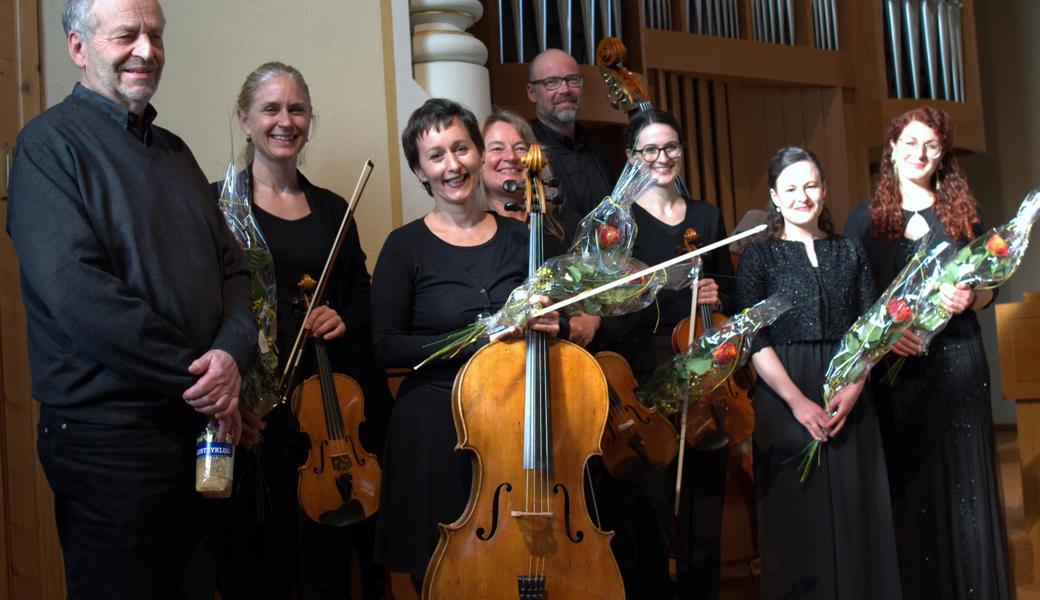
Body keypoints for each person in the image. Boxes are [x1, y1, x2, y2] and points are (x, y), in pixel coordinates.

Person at [6, 0, 256, 597]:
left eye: (155, 35)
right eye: (126, 35)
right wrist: (201, 375)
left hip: (195, 430)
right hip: (106, 438)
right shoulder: (46, 146)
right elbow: (78, 295)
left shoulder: (175, 152)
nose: (146, 50)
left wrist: (231, 356)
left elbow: (235, 274)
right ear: (78, 48)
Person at [213, 62, 390, 600]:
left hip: (329, 410)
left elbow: (364, 296)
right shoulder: (219, 205)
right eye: (270, 108)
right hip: (252, 412)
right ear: (245, 119)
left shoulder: (333, 209)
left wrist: (342, 316)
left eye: (296, 109)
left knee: (327, 566)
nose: (284, 120)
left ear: (309, 120)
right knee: (257, 561)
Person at [371, 98, 561, 590]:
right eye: (436, 155)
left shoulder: (526, 239)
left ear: (478, 153)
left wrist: (555, 324)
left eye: (461, 148)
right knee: (439, 579)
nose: (452, 164)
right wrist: (479, 334)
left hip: (515, 423)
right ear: (420, 170)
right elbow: (387, 346)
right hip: (434, 428)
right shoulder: (404, 247)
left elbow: (557, 323)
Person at [845, 107, 1012, 600]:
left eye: (932, 146)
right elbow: (857, 296)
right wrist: (884, 336)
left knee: (967, 487)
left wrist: (972, 297)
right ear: (891, 149)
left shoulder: (961, 214)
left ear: (943, 156)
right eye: (910, 143)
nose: (920, 154)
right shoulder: (865, 219)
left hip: (959, 359)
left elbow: (990, 288)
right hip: (898, 369)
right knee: (909, 483)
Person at [737, 146, 901, 599]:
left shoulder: (848, 250)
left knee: (855, 505)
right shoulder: (759, 257)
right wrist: (796, 401)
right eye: (790, 188)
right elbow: (754, 339)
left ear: (824, 190)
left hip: (849, 387)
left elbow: (871, 329)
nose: (802, 196)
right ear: (774, 195)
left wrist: (854, 384)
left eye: (810, 185)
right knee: (798, 513)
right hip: (784, 390)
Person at [602, 109, 734, 599]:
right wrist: (670, 292)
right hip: (647, 368)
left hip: (701, 363)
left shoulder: (707, 216)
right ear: (632, 157)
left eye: (671, 147)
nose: (663, 157)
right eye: (650, 150)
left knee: (705, 502)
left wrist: (718, 296)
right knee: (651, 506)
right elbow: (611, 310)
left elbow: (731, 291)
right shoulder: (620, 223)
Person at [481, 107, 604, 346]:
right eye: (497, 148)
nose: (511, 157)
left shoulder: (564, 221)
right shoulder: (472, 227)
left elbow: (600, 289)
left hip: (565, 354)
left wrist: (595, 316)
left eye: (520, 148)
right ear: (479, 159)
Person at [526, 48, 614, 221]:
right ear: (532, 93)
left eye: (572, 80)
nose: (565, 90)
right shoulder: (527, 151)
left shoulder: (596, 148)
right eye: (551, 82)